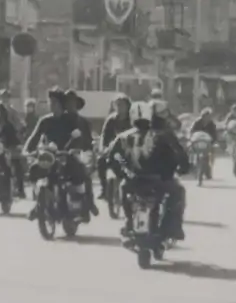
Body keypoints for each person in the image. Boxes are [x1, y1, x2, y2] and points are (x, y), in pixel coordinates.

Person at [104, 100, 188, 239]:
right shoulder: (164, 135)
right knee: (178, 191)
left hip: (133, 180)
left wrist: (125, 170)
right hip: (159, 180)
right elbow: (178, 155)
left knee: (124, 188)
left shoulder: (123, 137)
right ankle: (173, 228)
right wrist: (181, 168)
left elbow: (115, 157)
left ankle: (129, 222)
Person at [24, 87, 98, 219]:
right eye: (49, 102)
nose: (51, 105)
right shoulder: (45, 120)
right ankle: (38, 204)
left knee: (80, 171)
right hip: (50, 156)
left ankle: (85, 204)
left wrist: (75, 148)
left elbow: (79, 137)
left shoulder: (70, 119)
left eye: (54, 102)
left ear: (61, 104)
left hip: (67, 155)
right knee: (34, 169)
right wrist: (27, 150)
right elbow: (34, 137)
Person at [97, 95, 131, 200]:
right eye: (117, 105)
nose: (119, 107)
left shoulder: (132, 119)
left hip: (128, 150)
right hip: (113, 150)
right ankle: (104, 189)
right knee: (101, 161)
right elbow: (104, 135)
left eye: (122, 105)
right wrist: (102, 149)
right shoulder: (111, 120)